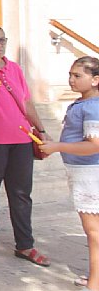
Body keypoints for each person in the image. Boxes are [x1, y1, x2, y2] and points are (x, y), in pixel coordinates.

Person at [0, 25, 51, 266]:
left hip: (21, 139)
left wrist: (41, 130)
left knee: (21, 194)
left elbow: (26, 102)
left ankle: (25, 245)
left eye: (1, 40)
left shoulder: (15, 69)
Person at [39, 57, 99, 290]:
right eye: (70, 75)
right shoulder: (83, 103)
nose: (71, 80)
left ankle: (94, 283)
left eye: (78, 76)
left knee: (93, 230)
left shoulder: (92, 106)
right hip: (81, 170)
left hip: (89, 173)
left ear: (95, 80)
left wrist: (57, 147)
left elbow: (94, 144)